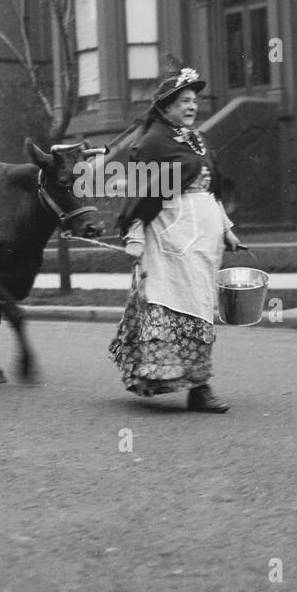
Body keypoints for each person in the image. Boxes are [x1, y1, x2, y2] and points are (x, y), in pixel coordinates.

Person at [108, 66, 243, 414]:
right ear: (166, 106)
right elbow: (139, 194)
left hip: (203, 243)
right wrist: (135, 234)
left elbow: (210, 189)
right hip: (171, 240)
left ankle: (195, 384)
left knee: (201, 307)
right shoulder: (152, 142)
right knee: (179, 305)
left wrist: (226, 227)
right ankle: (196, 386)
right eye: (184, 101)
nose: (192, 106)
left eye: (194, 100)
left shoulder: (197, 139)